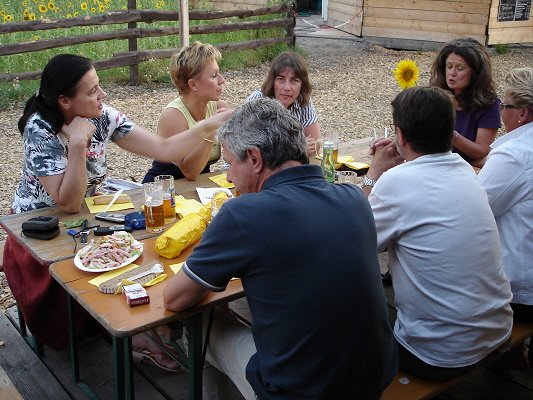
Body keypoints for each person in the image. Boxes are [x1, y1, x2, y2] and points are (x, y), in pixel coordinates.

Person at [3, 54, 231, 370]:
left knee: (149, 242)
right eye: (93, 90)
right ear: (66, 101)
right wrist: (79, 145)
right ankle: (129, 330)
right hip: (41, 220)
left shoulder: (102, 115)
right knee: (114, 253)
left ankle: (148, 319)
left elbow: (162, 149)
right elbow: (66, 203)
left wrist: (207, 126)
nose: (103, 95)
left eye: (100, 86)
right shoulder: (39, 128)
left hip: (93, 207)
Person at [163, 97, 398, 399]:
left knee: (201, 320)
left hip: (300, 391)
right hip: (374, 378)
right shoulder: (353, 197)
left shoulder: (242, 213)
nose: (230, 176)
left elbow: (175, 298)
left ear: (254, 159)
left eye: (229, 164)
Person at [362, 86, 513, 381]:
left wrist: (374, 174)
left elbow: (356, 236)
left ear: (401, 135)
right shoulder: (465, 170)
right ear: (451, 131)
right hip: (496, 329)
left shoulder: (396, 182)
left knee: (353, 316)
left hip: (438, 354)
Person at [479, 67, 533, 323]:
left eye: (504, 105)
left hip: (519, 293)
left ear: (522, 113)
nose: (500, 112)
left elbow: (477, 210)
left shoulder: (514, 154)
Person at [142, 41, 228, 183]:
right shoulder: (173, 115)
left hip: (199, 185)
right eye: (214, 76)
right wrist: (210, 128)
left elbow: (238, 154)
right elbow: (190, 172)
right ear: (193, 84)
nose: (222, 80)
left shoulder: (218, 107)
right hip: (165, 189)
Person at [429, 37, 501, 165]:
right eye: (449, 66)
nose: (452, 73)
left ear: (476, 73)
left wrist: (452, 135)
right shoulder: (434, 96)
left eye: (460, 68)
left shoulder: (489, 104)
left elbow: (481, 151)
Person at [247, 52, 320, 156]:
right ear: (273, 82)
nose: (287, 88)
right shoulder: (257, 100)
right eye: (281, 79)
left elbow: (316, 144)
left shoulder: (303, 100)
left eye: (294, 81)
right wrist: (296, 150)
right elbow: (252, 152)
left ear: (302, 85)